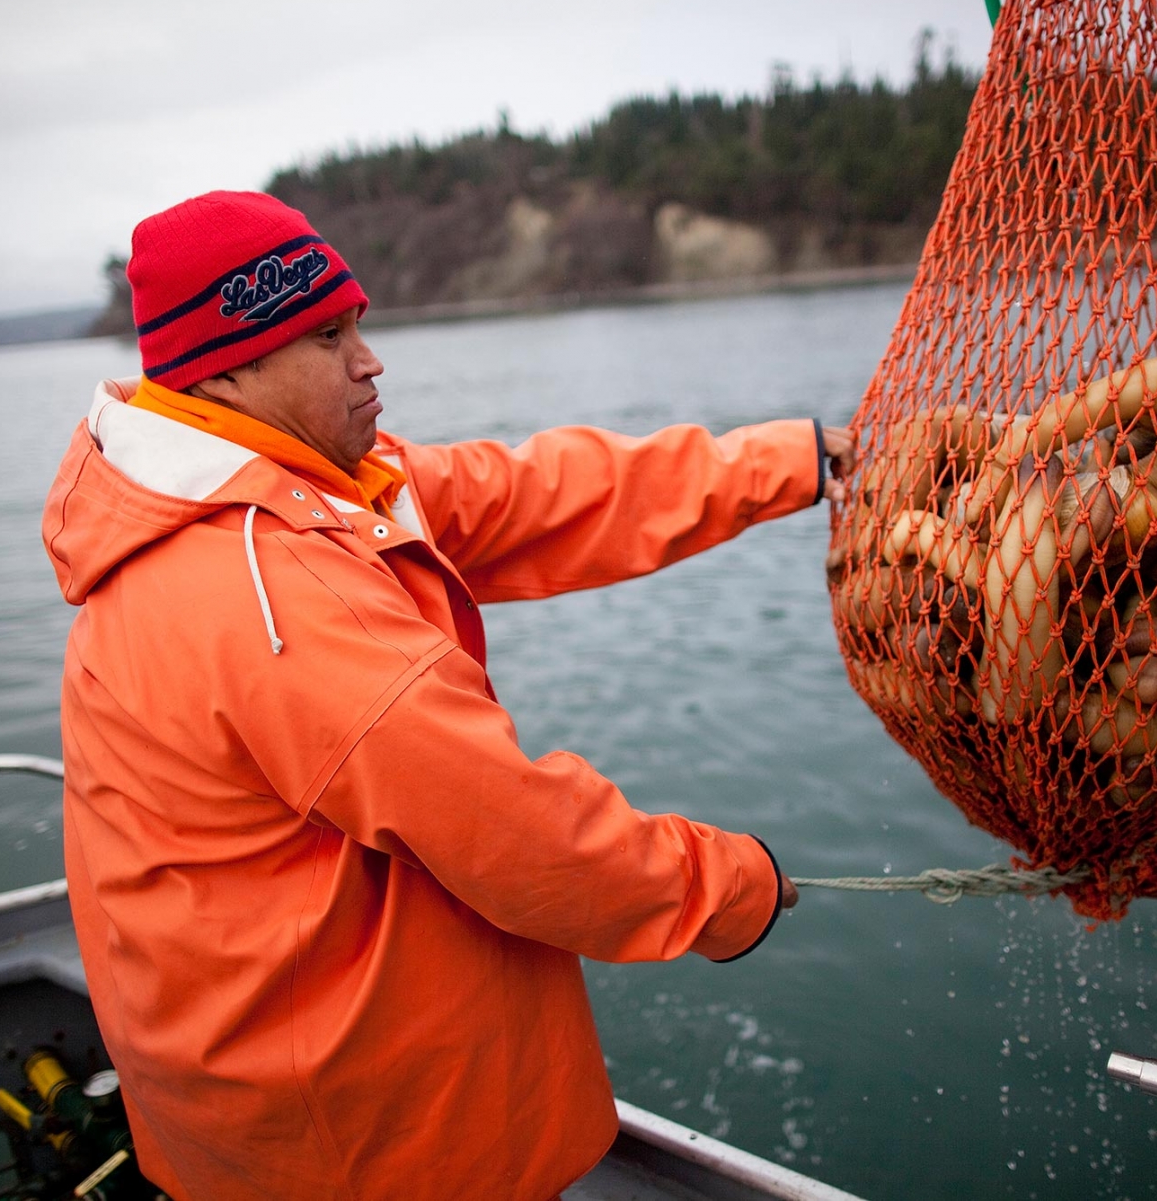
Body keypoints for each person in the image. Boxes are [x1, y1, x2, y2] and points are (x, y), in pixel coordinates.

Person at [41, 190, 853, 1200]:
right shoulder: (269, 591)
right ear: (230, 368)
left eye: (359, 326)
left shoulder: (312, 491)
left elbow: (543, 493)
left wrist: (799, 460)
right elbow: (520, 833)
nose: (369, 361)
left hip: (255, 1104)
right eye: (328, 336)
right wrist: (732, 888)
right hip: (356, 1151)